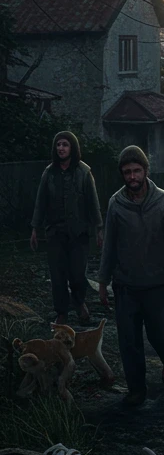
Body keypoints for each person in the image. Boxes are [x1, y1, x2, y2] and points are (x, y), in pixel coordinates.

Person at [98, 146, 164, 407]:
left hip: (157, 283)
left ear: (146, 171)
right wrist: (102, 282)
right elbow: (109, 246)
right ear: (122, 175)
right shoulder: (116, 203)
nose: (132, 176)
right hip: (125, 285)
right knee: (129, 342)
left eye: (137, 171)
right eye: (127, 172)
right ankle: (137, 388)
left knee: (163, 336)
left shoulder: (162, 200)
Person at [30, 131, 103, 327]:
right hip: (55, 233)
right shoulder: (49, 173)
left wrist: (99, 228)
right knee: (58, 275)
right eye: (58, 145)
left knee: (78, 274)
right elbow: (40, 202)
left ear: (72, 148)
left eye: (65, 145)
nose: (61, 148)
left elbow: (93, 203)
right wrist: (35, 228)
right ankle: (61, 312)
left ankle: (79, 303)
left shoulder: (84, 172)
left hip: (79, 233)